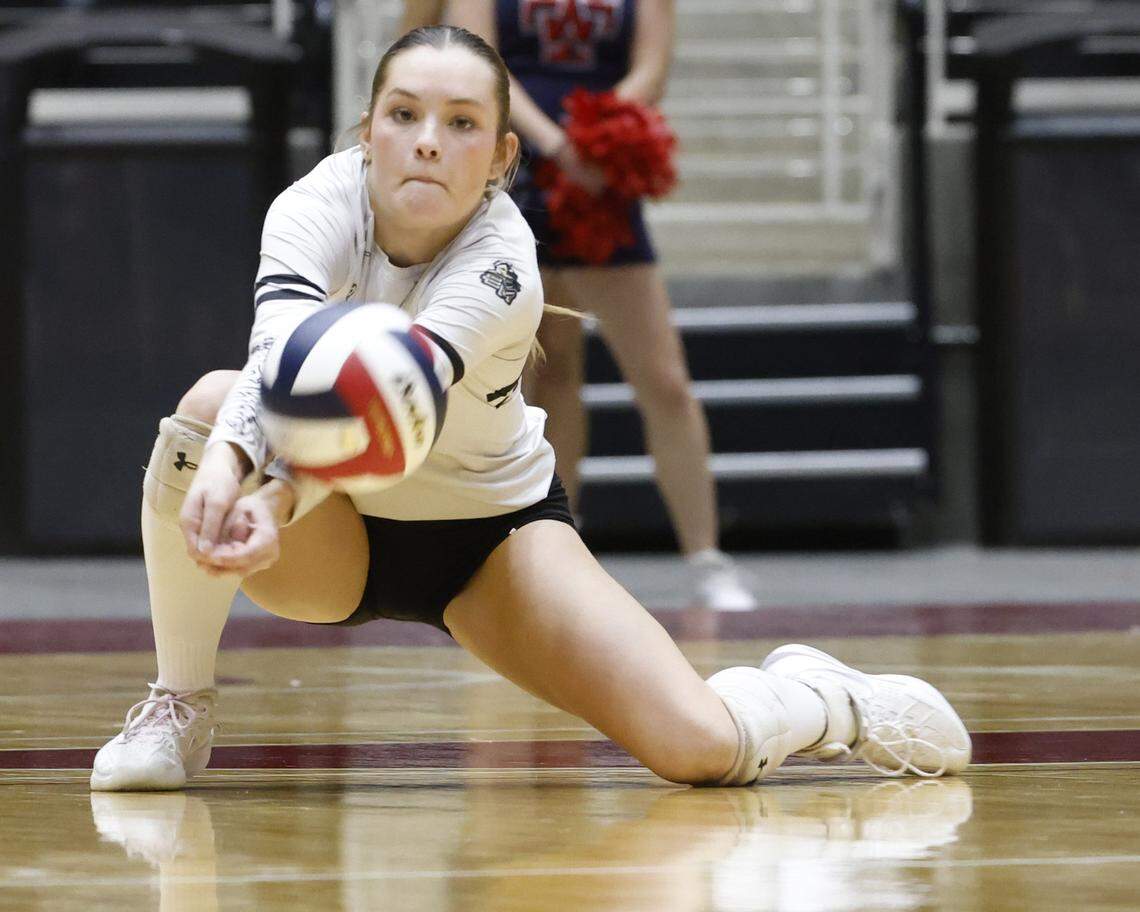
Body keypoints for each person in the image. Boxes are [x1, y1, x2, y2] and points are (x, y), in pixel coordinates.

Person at [90, 26, 970, 792]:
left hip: (489, 540)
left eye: (462, 124)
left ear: (503, 158)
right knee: (209, 407)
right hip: (343, 540)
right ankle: (178, 706)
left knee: (702, 752)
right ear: (367, 133)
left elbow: (390, 414)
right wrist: (223, 468)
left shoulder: (504, 265)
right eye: (404, 116)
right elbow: (274, 357)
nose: (427, 143)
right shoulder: (313, 206)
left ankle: (820, 698)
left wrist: (272, 496)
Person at [442, 1, 756, 611]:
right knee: (544, 368)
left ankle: (706, 559)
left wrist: (601, 135)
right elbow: (480, 64)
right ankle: (553, 543)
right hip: (513, 173)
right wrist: (556, 144)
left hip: (600, 181)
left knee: (665, 380)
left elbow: (650, 70)